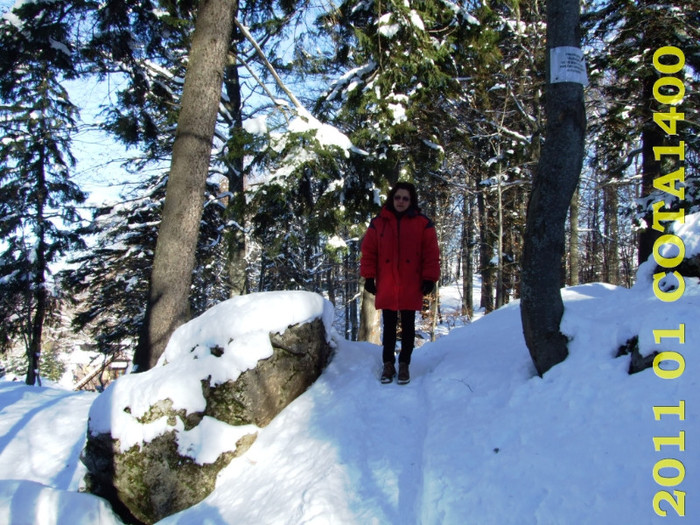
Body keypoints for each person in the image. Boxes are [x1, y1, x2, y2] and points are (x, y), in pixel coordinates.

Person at [360, 182, 440, 384]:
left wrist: (429, 278)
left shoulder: (423, 223)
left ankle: (404, 364)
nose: (401, 202)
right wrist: (369, 277)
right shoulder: (378, 223)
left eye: (405, 198)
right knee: (388, 326)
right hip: (387, 282)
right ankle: (388, 364)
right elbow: (369, 251)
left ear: (411, 200)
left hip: (410, 282)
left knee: (408, 325)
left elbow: (431, 253)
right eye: (398, 197)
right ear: (392, 199)